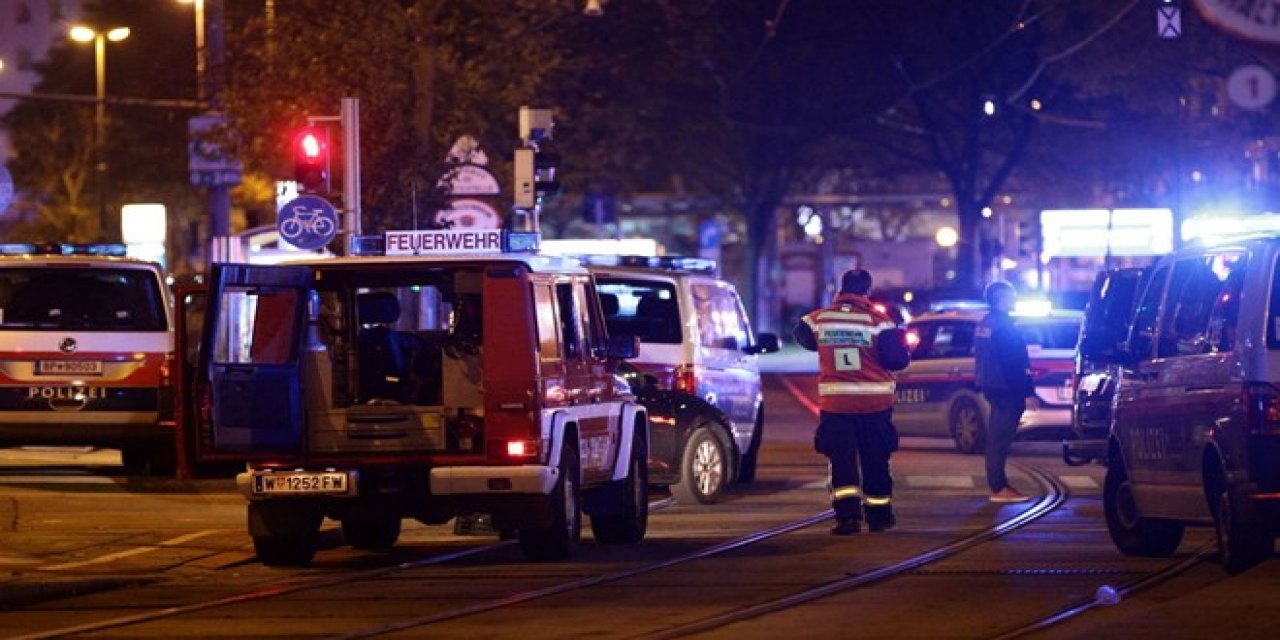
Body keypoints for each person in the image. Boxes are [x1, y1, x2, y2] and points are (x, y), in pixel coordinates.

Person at [794, 268, 911, 535]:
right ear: (867, 290)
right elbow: (896, 360)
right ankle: (879, 517)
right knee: (876, 460)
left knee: (842, 462)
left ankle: (848, 519)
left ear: (841, 288)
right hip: (874, 406)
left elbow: (803, 338)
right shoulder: (880, 322)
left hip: (837, 406)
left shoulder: (818, 319)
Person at [974, 280, 1034, 503]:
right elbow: (1014, 361)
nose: (1015, 298)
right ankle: (999, 487)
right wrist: (1026, 390)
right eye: (1012, 295)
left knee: (996, 436)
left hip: (992, 385)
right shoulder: (1005, 326)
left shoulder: (986, 323)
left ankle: (998, 485)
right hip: (1007, 387)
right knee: (1000, 438)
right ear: (1002, 298)